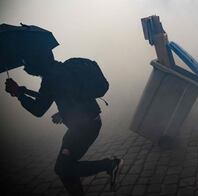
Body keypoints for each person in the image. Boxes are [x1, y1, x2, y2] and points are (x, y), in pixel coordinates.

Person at [4, 47, 123, 196]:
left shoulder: (50, 79)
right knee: (66, 167)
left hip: (83, 130)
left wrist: (18, 94)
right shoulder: (63, 69)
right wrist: (63, 112)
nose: (25, 66)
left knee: (63, 169)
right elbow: (63, 96)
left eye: (27, 62)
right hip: (86, 124)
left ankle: (110, 164)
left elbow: (38, 109)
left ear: (37, 62)